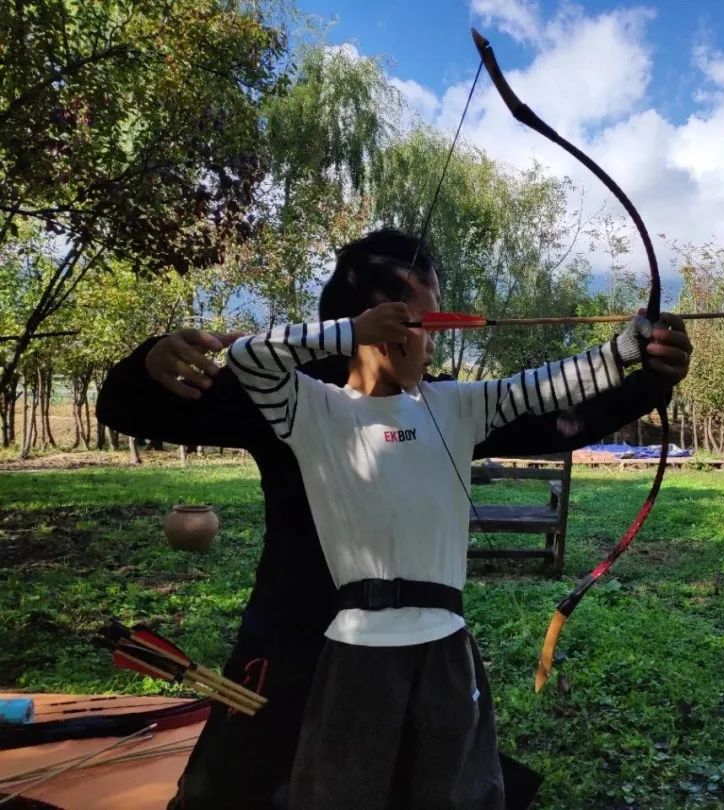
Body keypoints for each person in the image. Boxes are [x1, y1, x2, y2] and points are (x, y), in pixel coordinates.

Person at [96, 229, 692, 809]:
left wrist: (647, 378)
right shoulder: (292, 397)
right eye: (421, 319)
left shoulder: (435, 403)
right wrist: (149, 361)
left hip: (414, 643)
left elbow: (549, 417)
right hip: (292, 638)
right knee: (245, 784)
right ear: (374, 320)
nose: (432, 338)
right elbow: (126, 406)